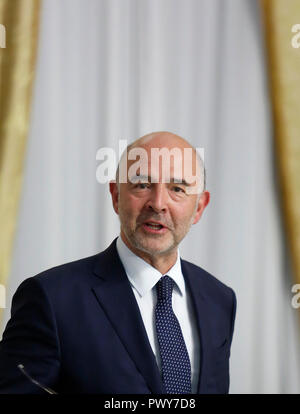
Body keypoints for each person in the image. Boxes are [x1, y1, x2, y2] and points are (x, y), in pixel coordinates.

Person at [0, 131, 236, 394]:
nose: (158, 204)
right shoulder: (51, 299)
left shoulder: (220, 300)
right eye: (142, 185)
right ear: (116, 196)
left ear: (200, 207)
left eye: (177, 189)